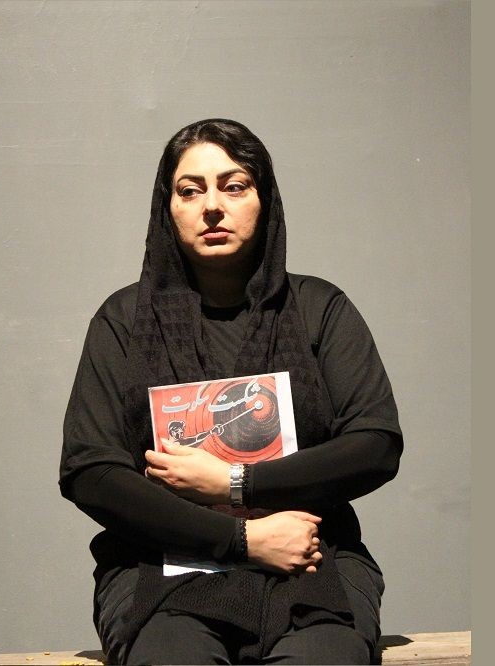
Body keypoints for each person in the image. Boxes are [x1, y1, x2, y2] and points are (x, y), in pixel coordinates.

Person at [59, 119, 403, 664]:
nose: (212, 206)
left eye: (234, 186)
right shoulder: (124, 320)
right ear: (167, 207)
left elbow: (375, 444)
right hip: (160, 568)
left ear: (265, 200)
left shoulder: (320, 309)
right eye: (190, 190)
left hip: (310, 559)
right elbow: (91, 471)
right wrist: (241, 540)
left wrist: (235, 482)